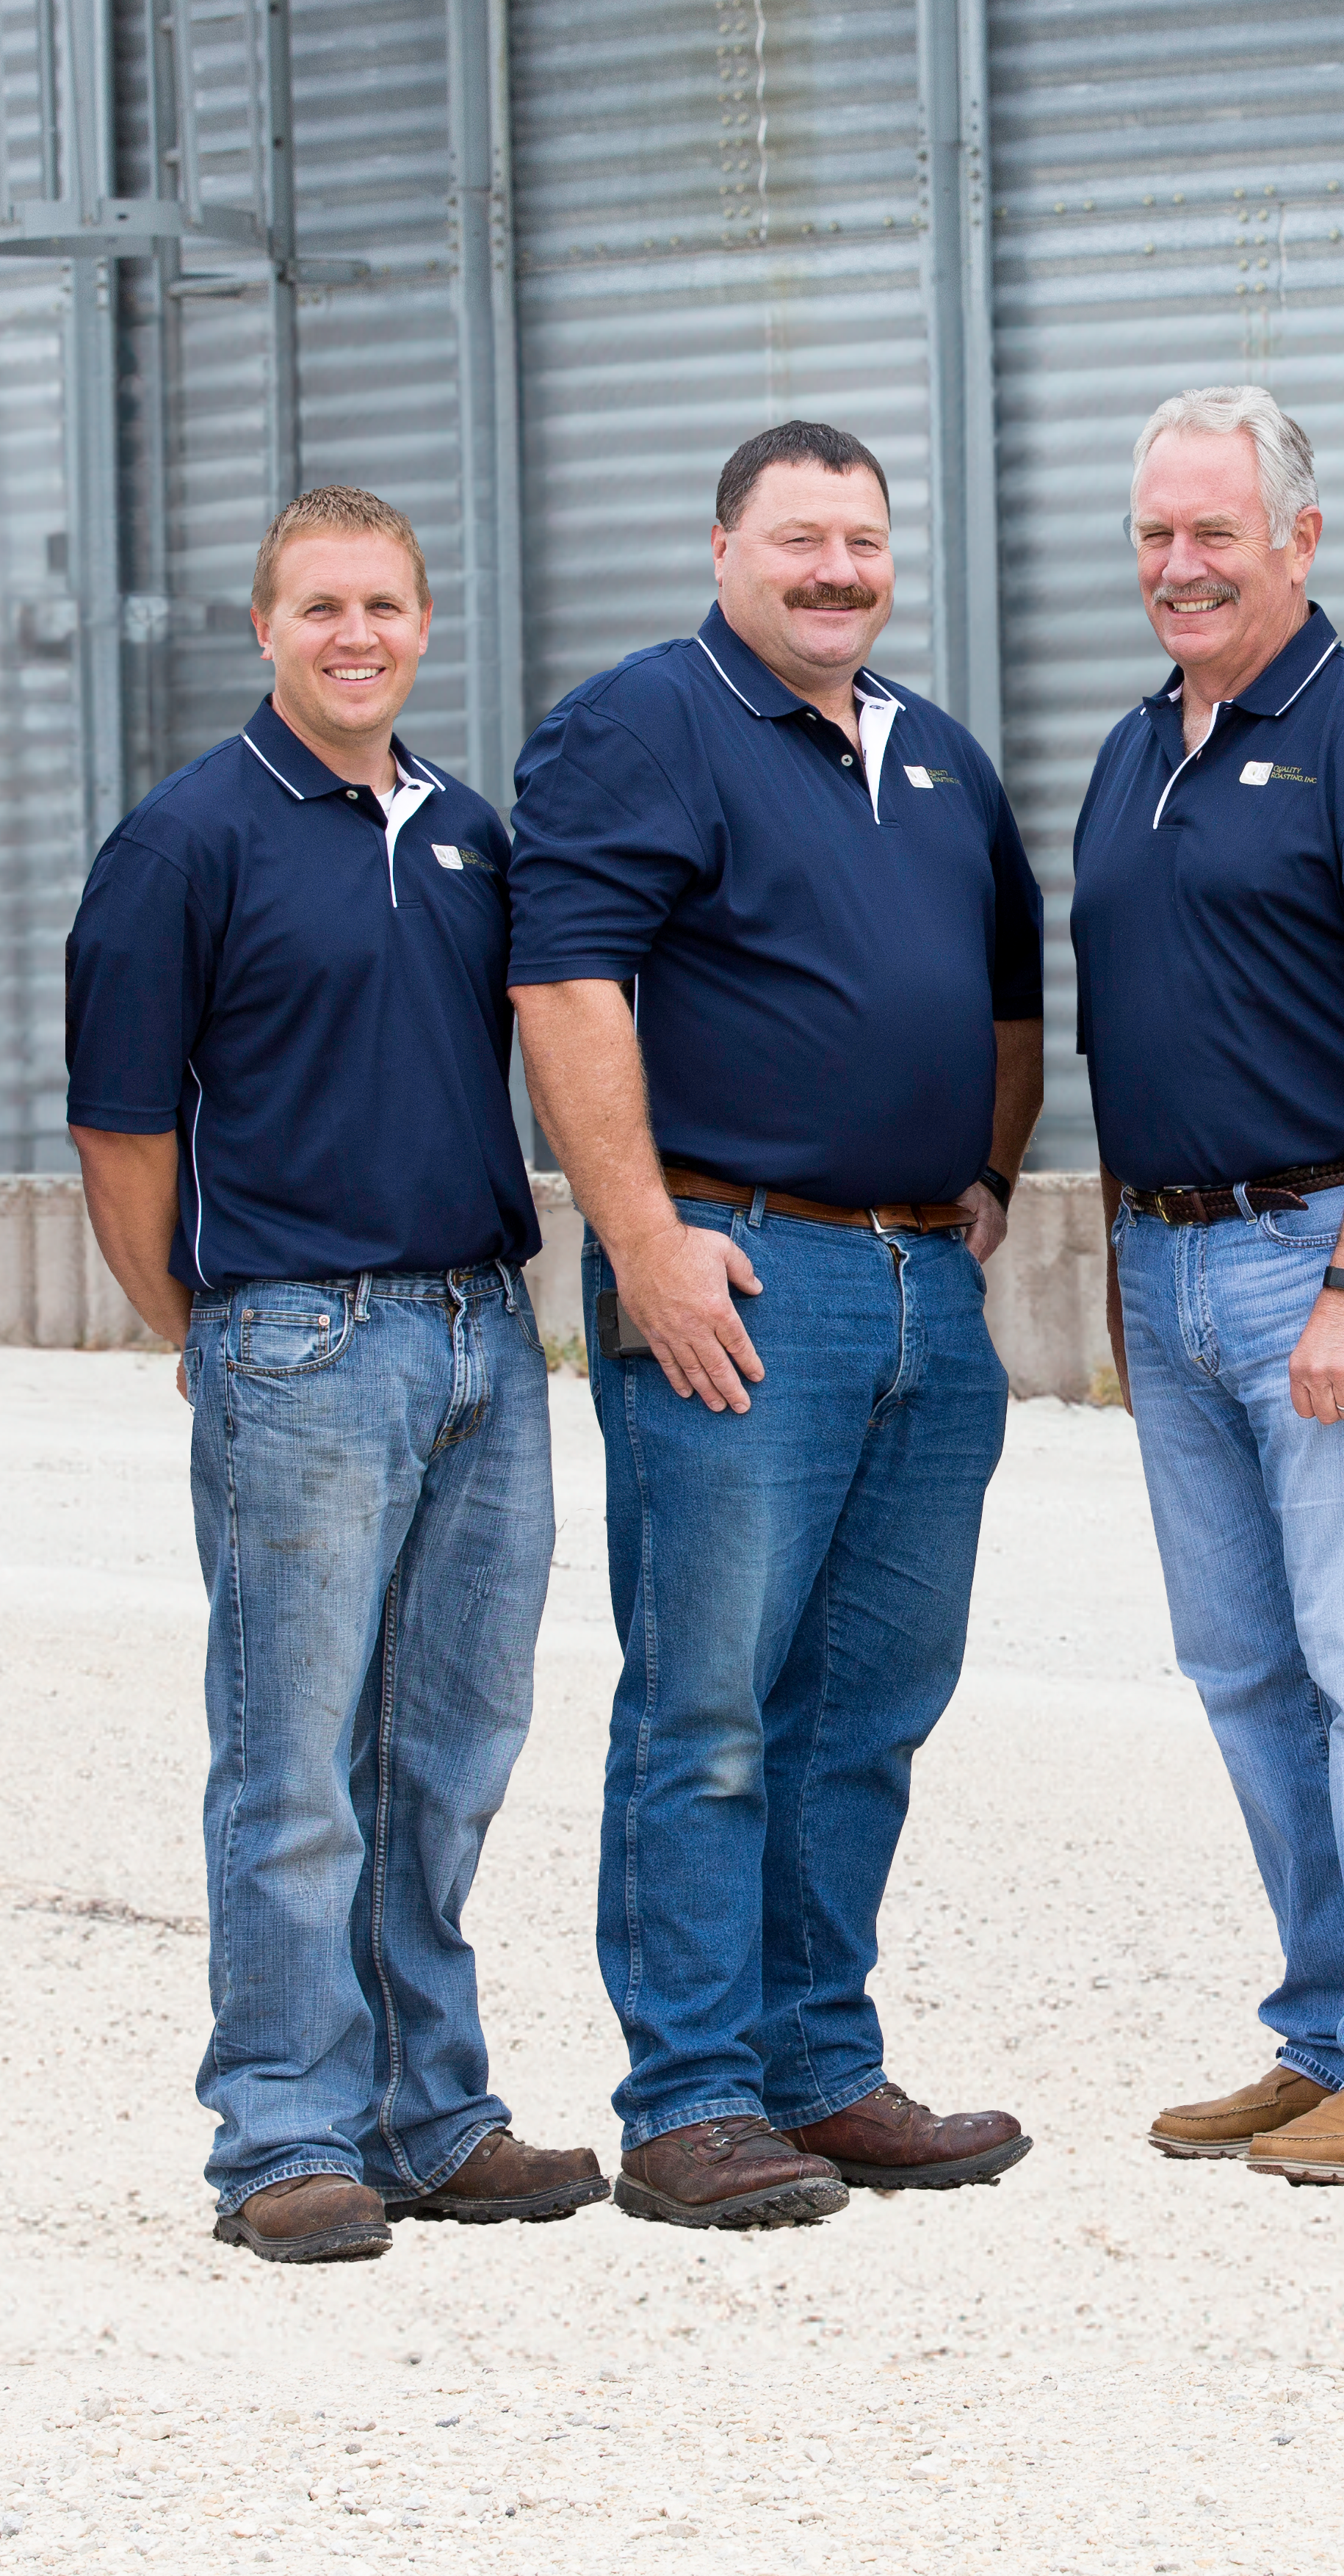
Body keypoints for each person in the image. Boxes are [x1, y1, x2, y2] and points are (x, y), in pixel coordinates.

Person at [505, 421, 1045, 2230]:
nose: (837, 570)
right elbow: (567, 986)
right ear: (723, 545)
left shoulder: (941, 758)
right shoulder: (638, 726)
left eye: (864, 540)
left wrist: (979, 1179)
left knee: (869, 1705)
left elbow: (1005, 1000)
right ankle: (691, 2097)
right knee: (712, 1705)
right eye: (799, 537)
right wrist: (641, 1237)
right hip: (735, 1274)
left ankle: (820, 2064)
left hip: (919, 1286)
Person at [65, 486, 603, 2265]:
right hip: (297, 1332)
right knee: (292, 1760)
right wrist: (203, 1329)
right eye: (320, 608)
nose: (354, 634)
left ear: (424, 624)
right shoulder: (184, 843)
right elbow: (122, 1130)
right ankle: (286, 2132)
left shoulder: (470, 833)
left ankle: (430, 2116)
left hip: (480, 1335)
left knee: (446, 1748)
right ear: (264, 629)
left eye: (383, 604)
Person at [1072, 383, 1344, 2187]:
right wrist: (1120, 1272)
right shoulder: (1128, 749)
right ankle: (1326, 2028)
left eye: (1216, 534)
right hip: (1168, 1263)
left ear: (1298, 541)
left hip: (1321, 1263)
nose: (1182, 566)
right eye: (1158, 534)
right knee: (1248, 1665)